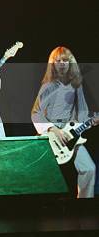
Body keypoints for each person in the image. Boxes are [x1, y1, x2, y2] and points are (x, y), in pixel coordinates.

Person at [31, 46, 98, 198]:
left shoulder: (76, 84)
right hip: (52, 135)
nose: (62, 63)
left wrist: (91, 120)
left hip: (70, 133)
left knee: (89, 168)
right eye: (58, 60)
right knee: (46, 176)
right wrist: (54, 130)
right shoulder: (47, 86)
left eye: (65, 60)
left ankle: (85, 205)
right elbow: (36, 113)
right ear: (52, 64)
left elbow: (82, 112)